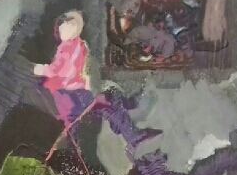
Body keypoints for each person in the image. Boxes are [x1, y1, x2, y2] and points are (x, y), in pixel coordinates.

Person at [32, 10, 160, 147]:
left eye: (73, 25)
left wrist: (88, 78)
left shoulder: (78, 45)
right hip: (74, 95)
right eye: (65, 26)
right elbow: (58, 70)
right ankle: (131, 133)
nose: (69, 29)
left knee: (110, 97)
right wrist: (41, 69)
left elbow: (81, 67)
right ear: (59, 30)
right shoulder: (66, 49)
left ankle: (127, 127)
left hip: (80, 91)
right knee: (107, 101)